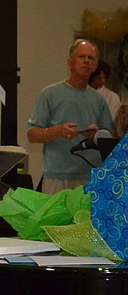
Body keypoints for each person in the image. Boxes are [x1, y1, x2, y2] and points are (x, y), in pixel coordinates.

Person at [26, 39, 113, 194]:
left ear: (95, 66)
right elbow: (32, 135)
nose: (86, 61)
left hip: (90, 176)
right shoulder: (49, 94)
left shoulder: (99, 100)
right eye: (81, 57)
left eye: (90, 58)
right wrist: (57, 131)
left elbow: (108, 138)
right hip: (57, 177)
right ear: (70, 62)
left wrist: (96, 135)